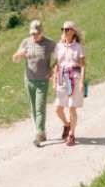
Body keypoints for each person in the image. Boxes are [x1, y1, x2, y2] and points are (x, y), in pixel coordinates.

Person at [11, 17, 55, 145]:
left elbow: (60, 55)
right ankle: (41, 132)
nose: (34, 35)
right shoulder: (26, 42)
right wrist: (20, 54)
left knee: (40, 107)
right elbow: (15, 59)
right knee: (34, 109)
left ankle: (39, 134)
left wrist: (53, 69)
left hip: (42, 80)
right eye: (32, 33)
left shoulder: (49, 43)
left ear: (42, 31)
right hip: (29, 80)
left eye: (36, 33)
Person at [53, 20, 87, 147]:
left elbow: (83, 66)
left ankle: (72, 135)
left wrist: (82, 82)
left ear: (74, 31)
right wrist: (54, 81)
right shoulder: (59, 47)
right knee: (58, 108)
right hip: (62, 78)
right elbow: (57, 65)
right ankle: (66, 125)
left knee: (72, 108)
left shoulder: (79, 47)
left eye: (67, 29)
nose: (64, 31)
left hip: (75, 78)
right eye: (63, 29)